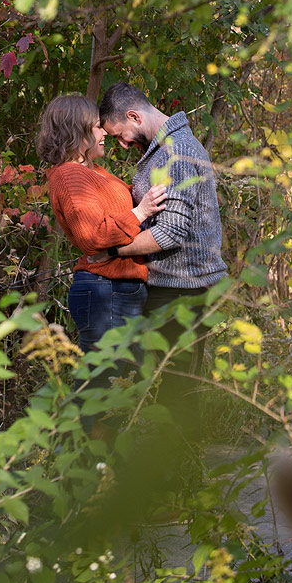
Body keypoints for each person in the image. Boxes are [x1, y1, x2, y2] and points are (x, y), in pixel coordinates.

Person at [97, 82, 227, 410]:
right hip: (168, 284)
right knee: (162, 381)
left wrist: (110, 250)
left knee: (177, 387)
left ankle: (182, 458)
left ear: (133, 117)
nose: (122, 145)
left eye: (119, 135)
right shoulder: (161, 151)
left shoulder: (176, 153)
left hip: (185, 288)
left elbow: (169, 234)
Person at [36, 92, 167, 378]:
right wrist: (140, 212)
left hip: (120, 289)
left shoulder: (96, 171)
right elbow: (92, 236)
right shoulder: (70, 175)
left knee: (119, 386)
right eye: (96, 127)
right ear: (76, 132)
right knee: (102, 386)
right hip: (104, 289)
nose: (104, 132)